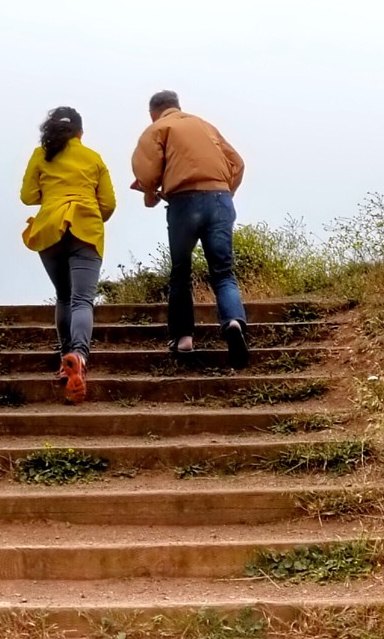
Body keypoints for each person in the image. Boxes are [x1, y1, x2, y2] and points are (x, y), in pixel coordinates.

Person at [131, 90, 249, 368]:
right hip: (220, 198)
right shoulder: (205, 125)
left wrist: (150, 194)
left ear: (153, 112)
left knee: (181, 272)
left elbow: (147, 174)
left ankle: (184, 338)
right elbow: (238, 163)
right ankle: (233, 322)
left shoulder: (158, 128)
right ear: (178, 106)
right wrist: (222, 193)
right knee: (223, 272)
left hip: (184, 202)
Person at [20, 106, 116, 405]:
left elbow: (27, 196)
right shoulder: (93, 158)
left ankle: (66, 360)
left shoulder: (41, 155)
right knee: (82, 300)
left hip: (50, 229)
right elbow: (109, 203)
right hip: (85, 228)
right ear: (80, 132)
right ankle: (79, 356)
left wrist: (51, 196)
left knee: (63, 296)